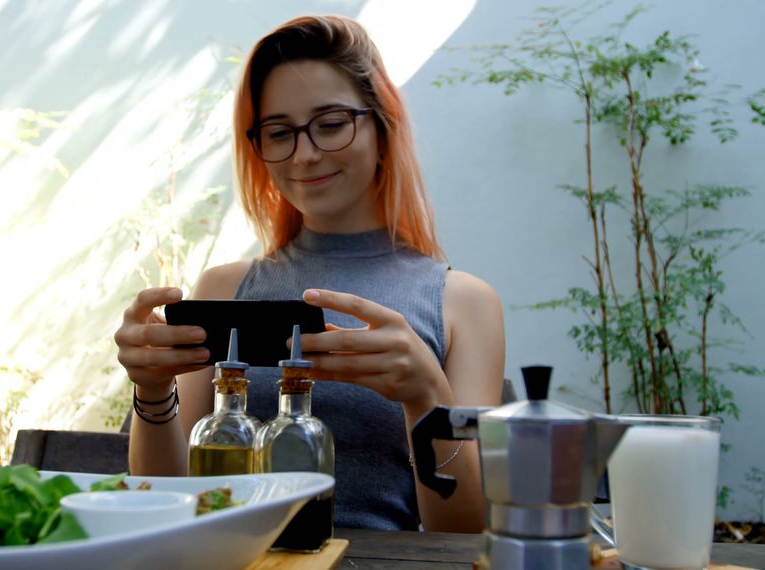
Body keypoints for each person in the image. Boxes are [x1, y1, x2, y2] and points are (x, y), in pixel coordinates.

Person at [113, 14, 504, 533]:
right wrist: (152, 388)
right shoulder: (225, 289)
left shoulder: (463, 303)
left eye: (332, 124)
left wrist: (426, 397)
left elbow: (462, 533)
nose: (306, 153)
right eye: (280, 132)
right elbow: (171, 497)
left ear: (382, 124)